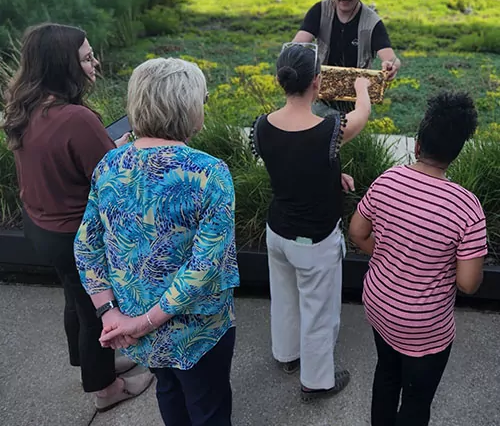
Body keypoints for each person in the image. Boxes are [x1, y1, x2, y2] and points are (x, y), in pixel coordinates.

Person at [74, 57, 240, 426]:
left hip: (133, 322)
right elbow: (204, 268)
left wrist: (111, 314)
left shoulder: (110, 165)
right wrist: (141, 323)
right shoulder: (209, 173)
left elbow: (86, 247)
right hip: (196, 332)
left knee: (168, 390)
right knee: (209, 408)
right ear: (187, 107)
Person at [2, 23, 151, 411]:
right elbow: (113, 181)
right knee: (95, 312)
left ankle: (88, 362)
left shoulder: (26, 106)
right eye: (86, 57)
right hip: (75, 236)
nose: (95, 62)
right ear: (62, 66)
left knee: (75, 300)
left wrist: (104, 144)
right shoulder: (74, 118)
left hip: (39, 226)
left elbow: (64, 159)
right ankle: (105, 389)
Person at [349, 91, 487, 426]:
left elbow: (357, 232)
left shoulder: (387, 181)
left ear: (417, 144)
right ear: (456, 153)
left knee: (386, 375)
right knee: (416, 397)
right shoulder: (467, 207)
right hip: (424, 325)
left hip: (380, 305)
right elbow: (468, 283)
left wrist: (387, 254)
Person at [250, 42, 372, 403]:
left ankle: (287, 356)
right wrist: (361, 88)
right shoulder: (328, 130)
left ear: (279, 80)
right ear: (317, 83)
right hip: (314, 241)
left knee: (285, 298)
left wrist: (333, 174)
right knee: (319, 311)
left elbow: (293, 164)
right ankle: (317, 382)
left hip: (278, 233)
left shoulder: (262, 126)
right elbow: (362, 114)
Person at [295, 0, 401, 79]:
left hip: (359, 91)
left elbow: (391, 58)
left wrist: (390, 65)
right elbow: (298, 43)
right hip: (321, 87)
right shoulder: (319, 11)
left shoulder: (372, 21)